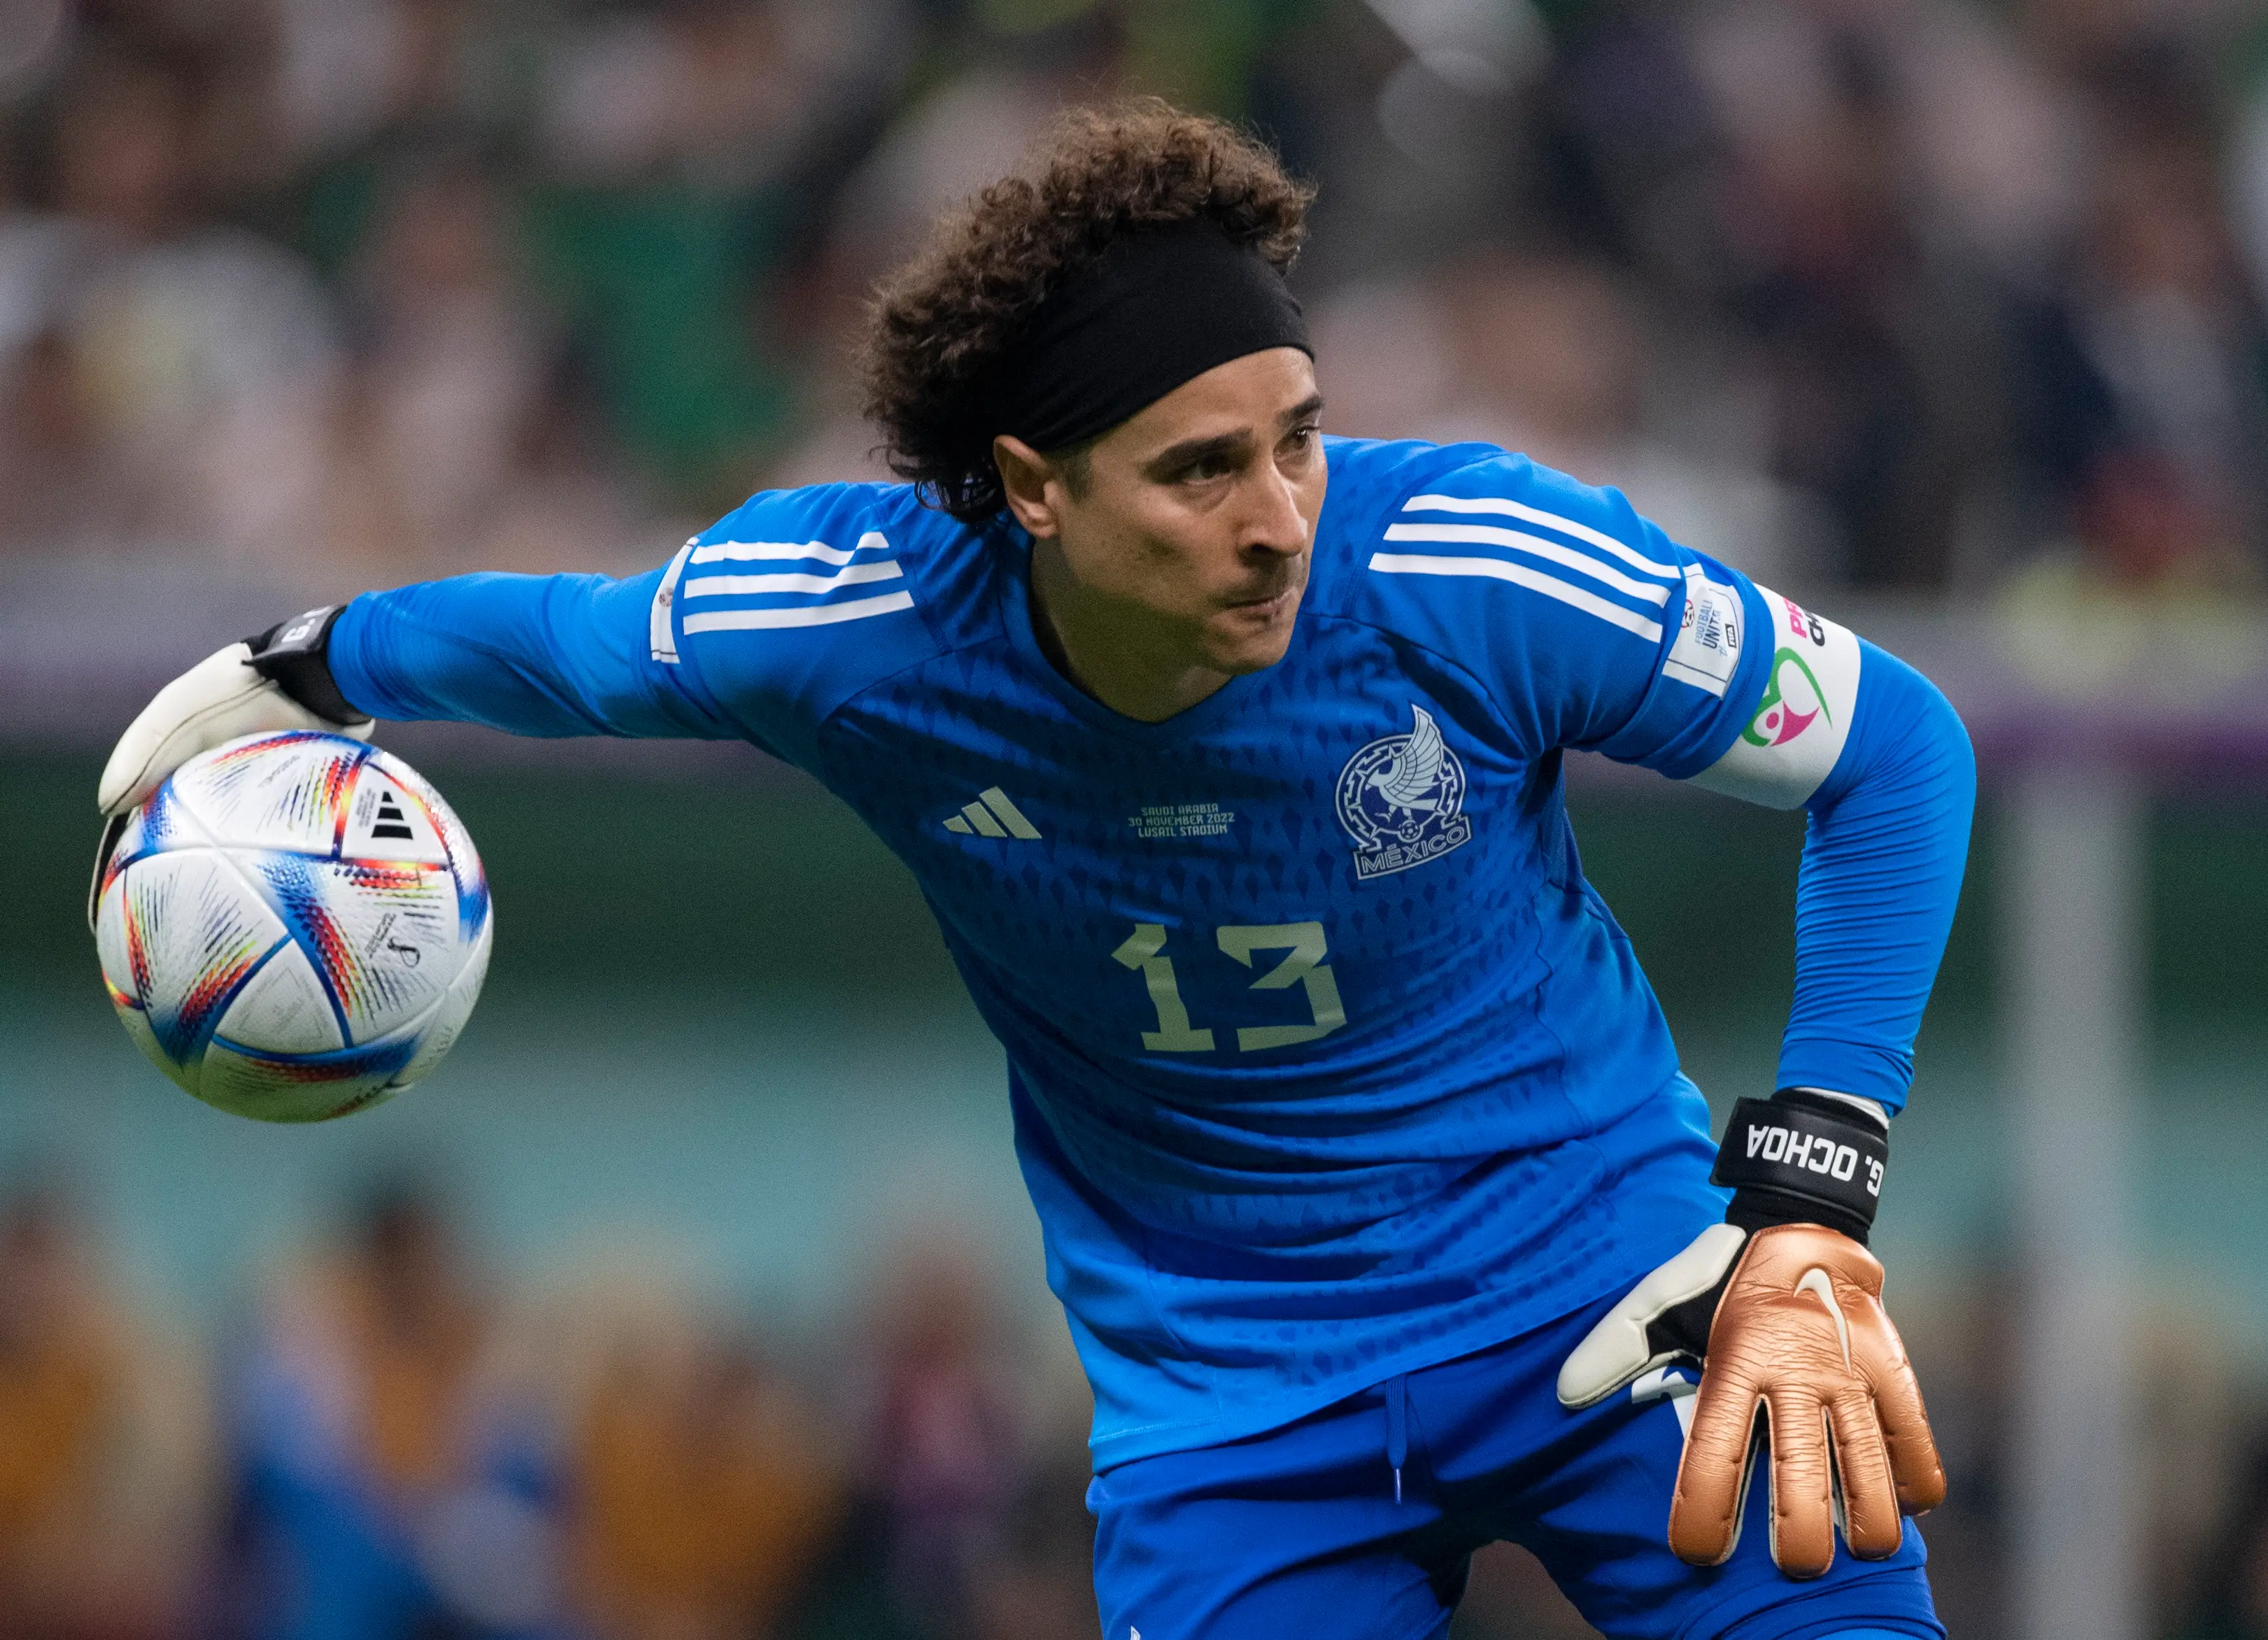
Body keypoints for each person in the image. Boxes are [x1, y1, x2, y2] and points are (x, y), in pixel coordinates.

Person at [96, 102, 1973, 1640]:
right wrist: (295, 665)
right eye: (1201, 471)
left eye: (1301, 442)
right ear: (1035, 488)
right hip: (1241, 1419)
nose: (1277, 523)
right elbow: (565, 643)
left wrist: (1813, 1199)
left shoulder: (1476, 564)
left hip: (1619, 1308)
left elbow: (1898, 748)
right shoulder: (849, 619)